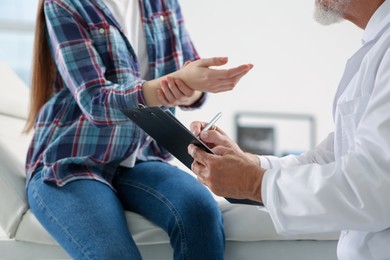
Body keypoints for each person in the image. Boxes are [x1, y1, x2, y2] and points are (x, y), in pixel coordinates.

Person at [25, 0, 253, 259]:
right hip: (72, 162)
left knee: (200, 211)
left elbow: (189, 75)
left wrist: (191, 88)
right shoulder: (66, 4)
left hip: (140, 158)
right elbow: (95, 101)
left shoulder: (163, 3)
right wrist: (171, 84)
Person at [186, 0, 390, 259]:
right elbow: (331, 158)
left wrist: (254, 183)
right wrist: (248, 164)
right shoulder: (378, 45)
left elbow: (374, 186)